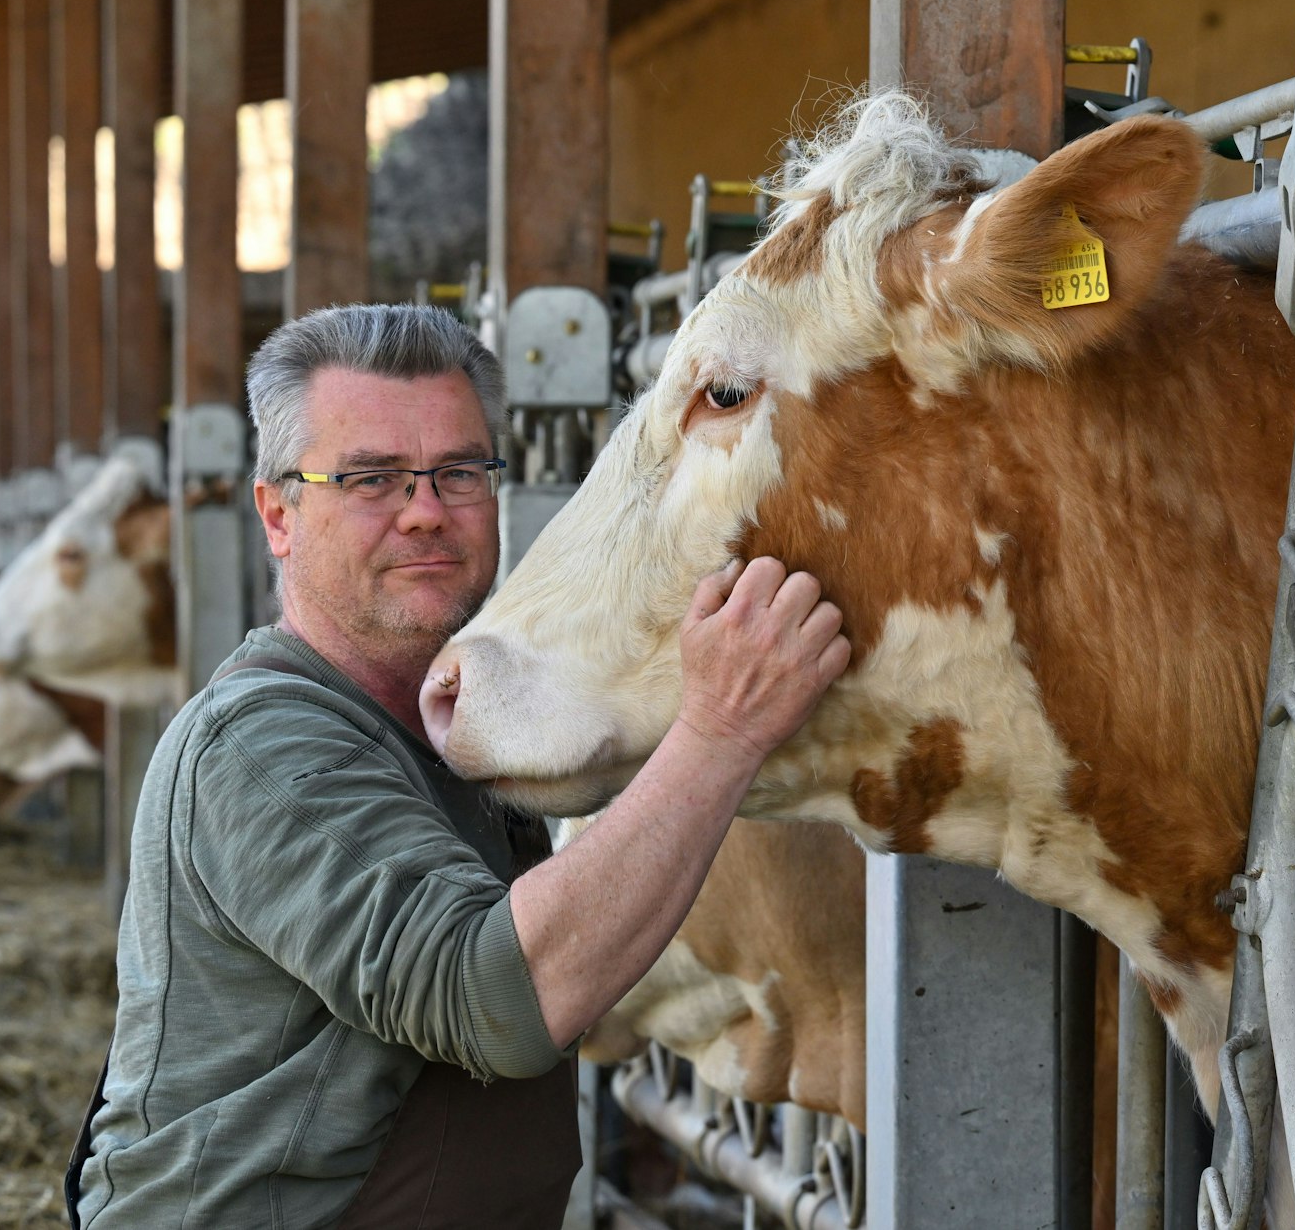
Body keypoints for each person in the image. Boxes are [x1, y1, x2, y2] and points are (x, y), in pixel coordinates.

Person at [69, 304, 849, 1229]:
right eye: (370, 478)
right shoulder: (260, 743)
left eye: (459, 472)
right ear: (278, 514)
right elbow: (495, 999)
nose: (426, 512)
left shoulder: (455, 733)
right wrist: (721, 730)